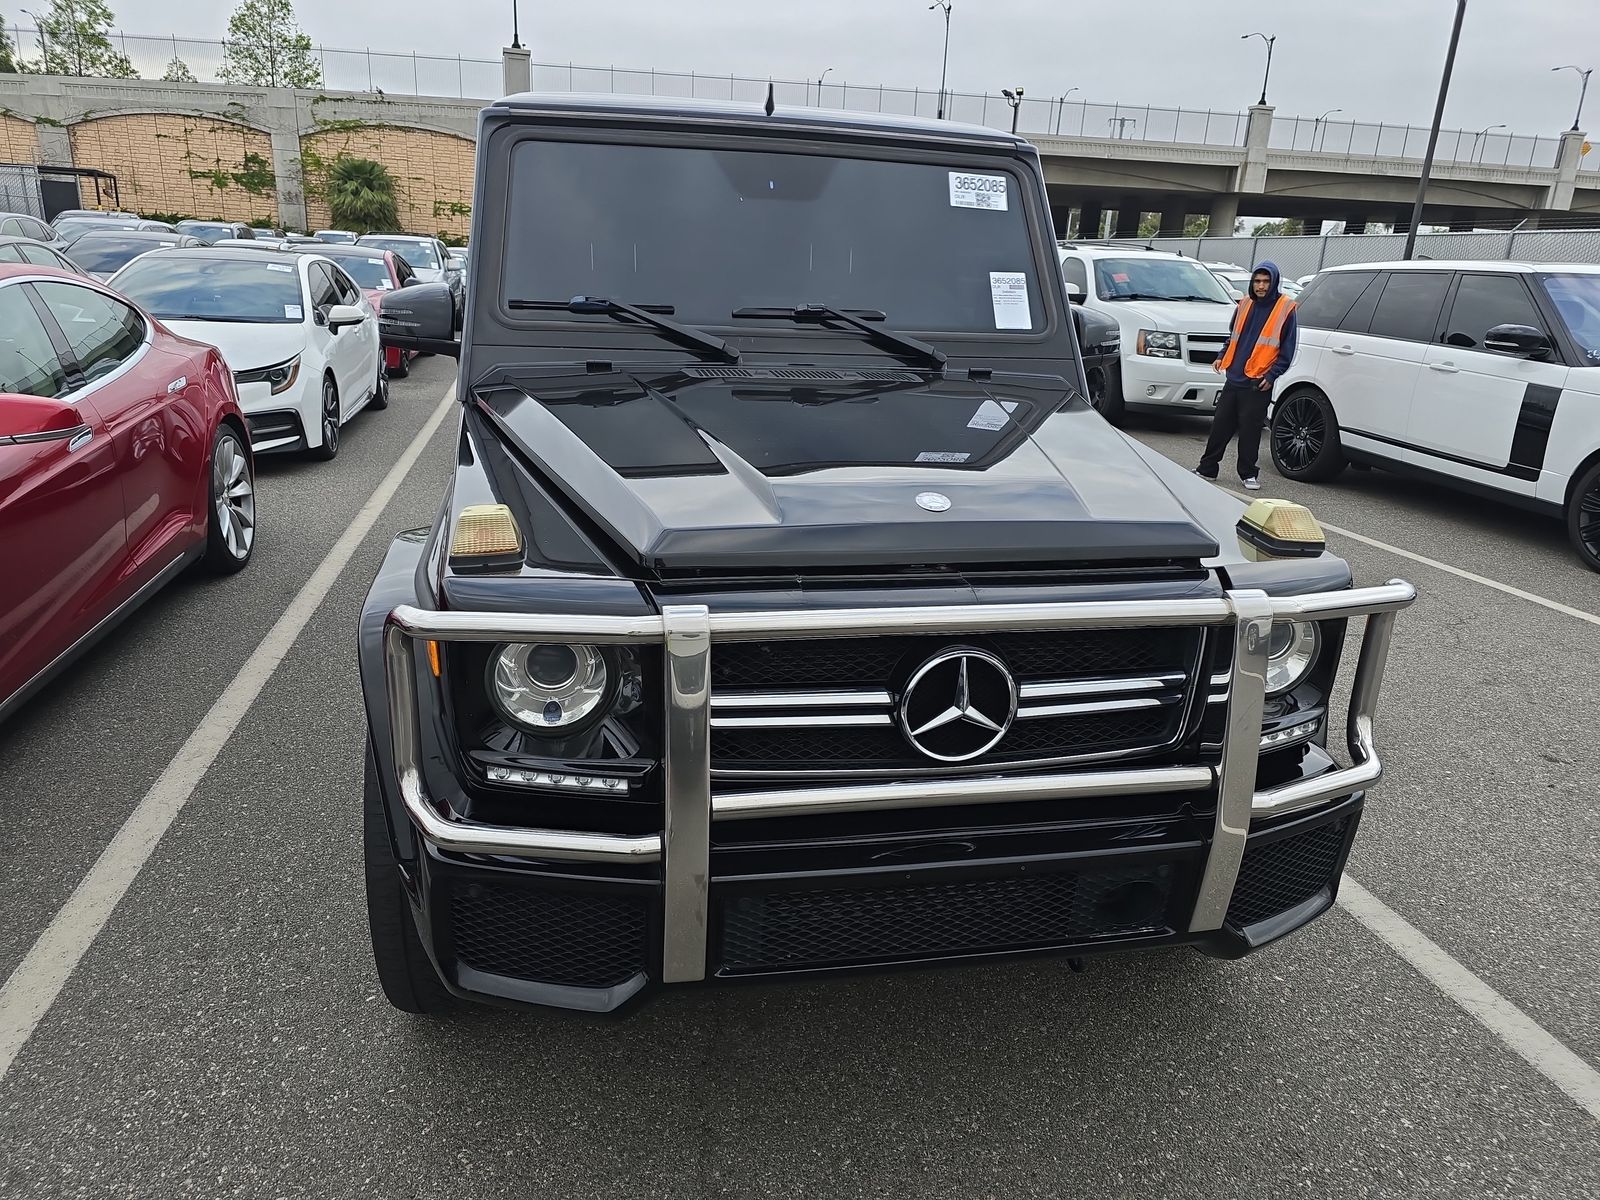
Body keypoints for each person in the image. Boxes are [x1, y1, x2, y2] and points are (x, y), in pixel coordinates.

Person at [1196, 260, 1298, 490]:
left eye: (1266, 281)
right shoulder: (1244, 304)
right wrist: (1222, 355)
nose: (1261, 286)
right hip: (1234, 377)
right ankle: (1207, 468)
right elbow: (1233, 335)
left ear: (1274, 283)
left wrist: (1271, 376)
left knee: (1250, 431)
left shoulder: (1285, 309)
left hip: (1258, 381)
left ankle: (1248, 474)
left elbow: (1287, 349)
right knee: (1220, 426)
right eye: (1257, 281)